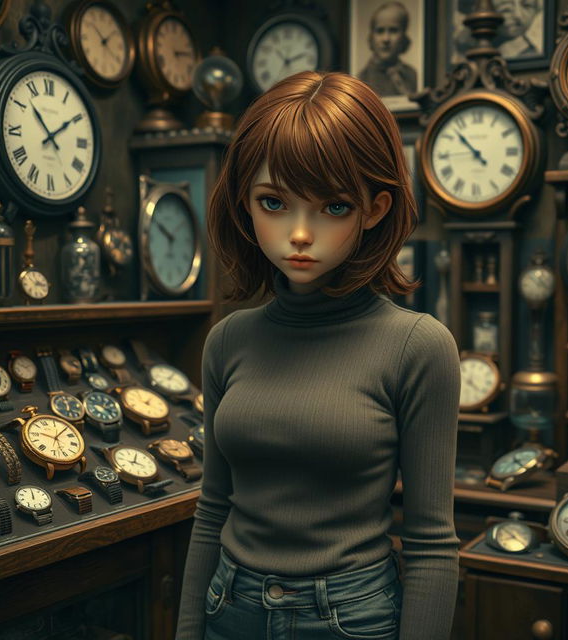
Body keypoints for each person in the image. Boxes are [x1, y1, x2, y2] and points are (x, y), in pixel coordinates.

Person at [176, 70, 460, 640]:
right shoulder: (228, 340)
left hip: (349, 617)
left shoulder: (418, 347)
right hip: (228, 607)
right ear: (244, 203)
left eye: (332, 206)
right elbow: (213, 509)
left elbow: (431, 543)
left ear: (375, 209)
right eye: (274, 201)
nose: (299, 234)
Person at [358, 1, 418, 97]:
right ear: (371, 37)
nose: (386, 39)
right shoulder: (361, 79)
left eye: (393, 30)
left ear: (404, 37)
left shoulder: (412, 75)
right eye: (380, 31)